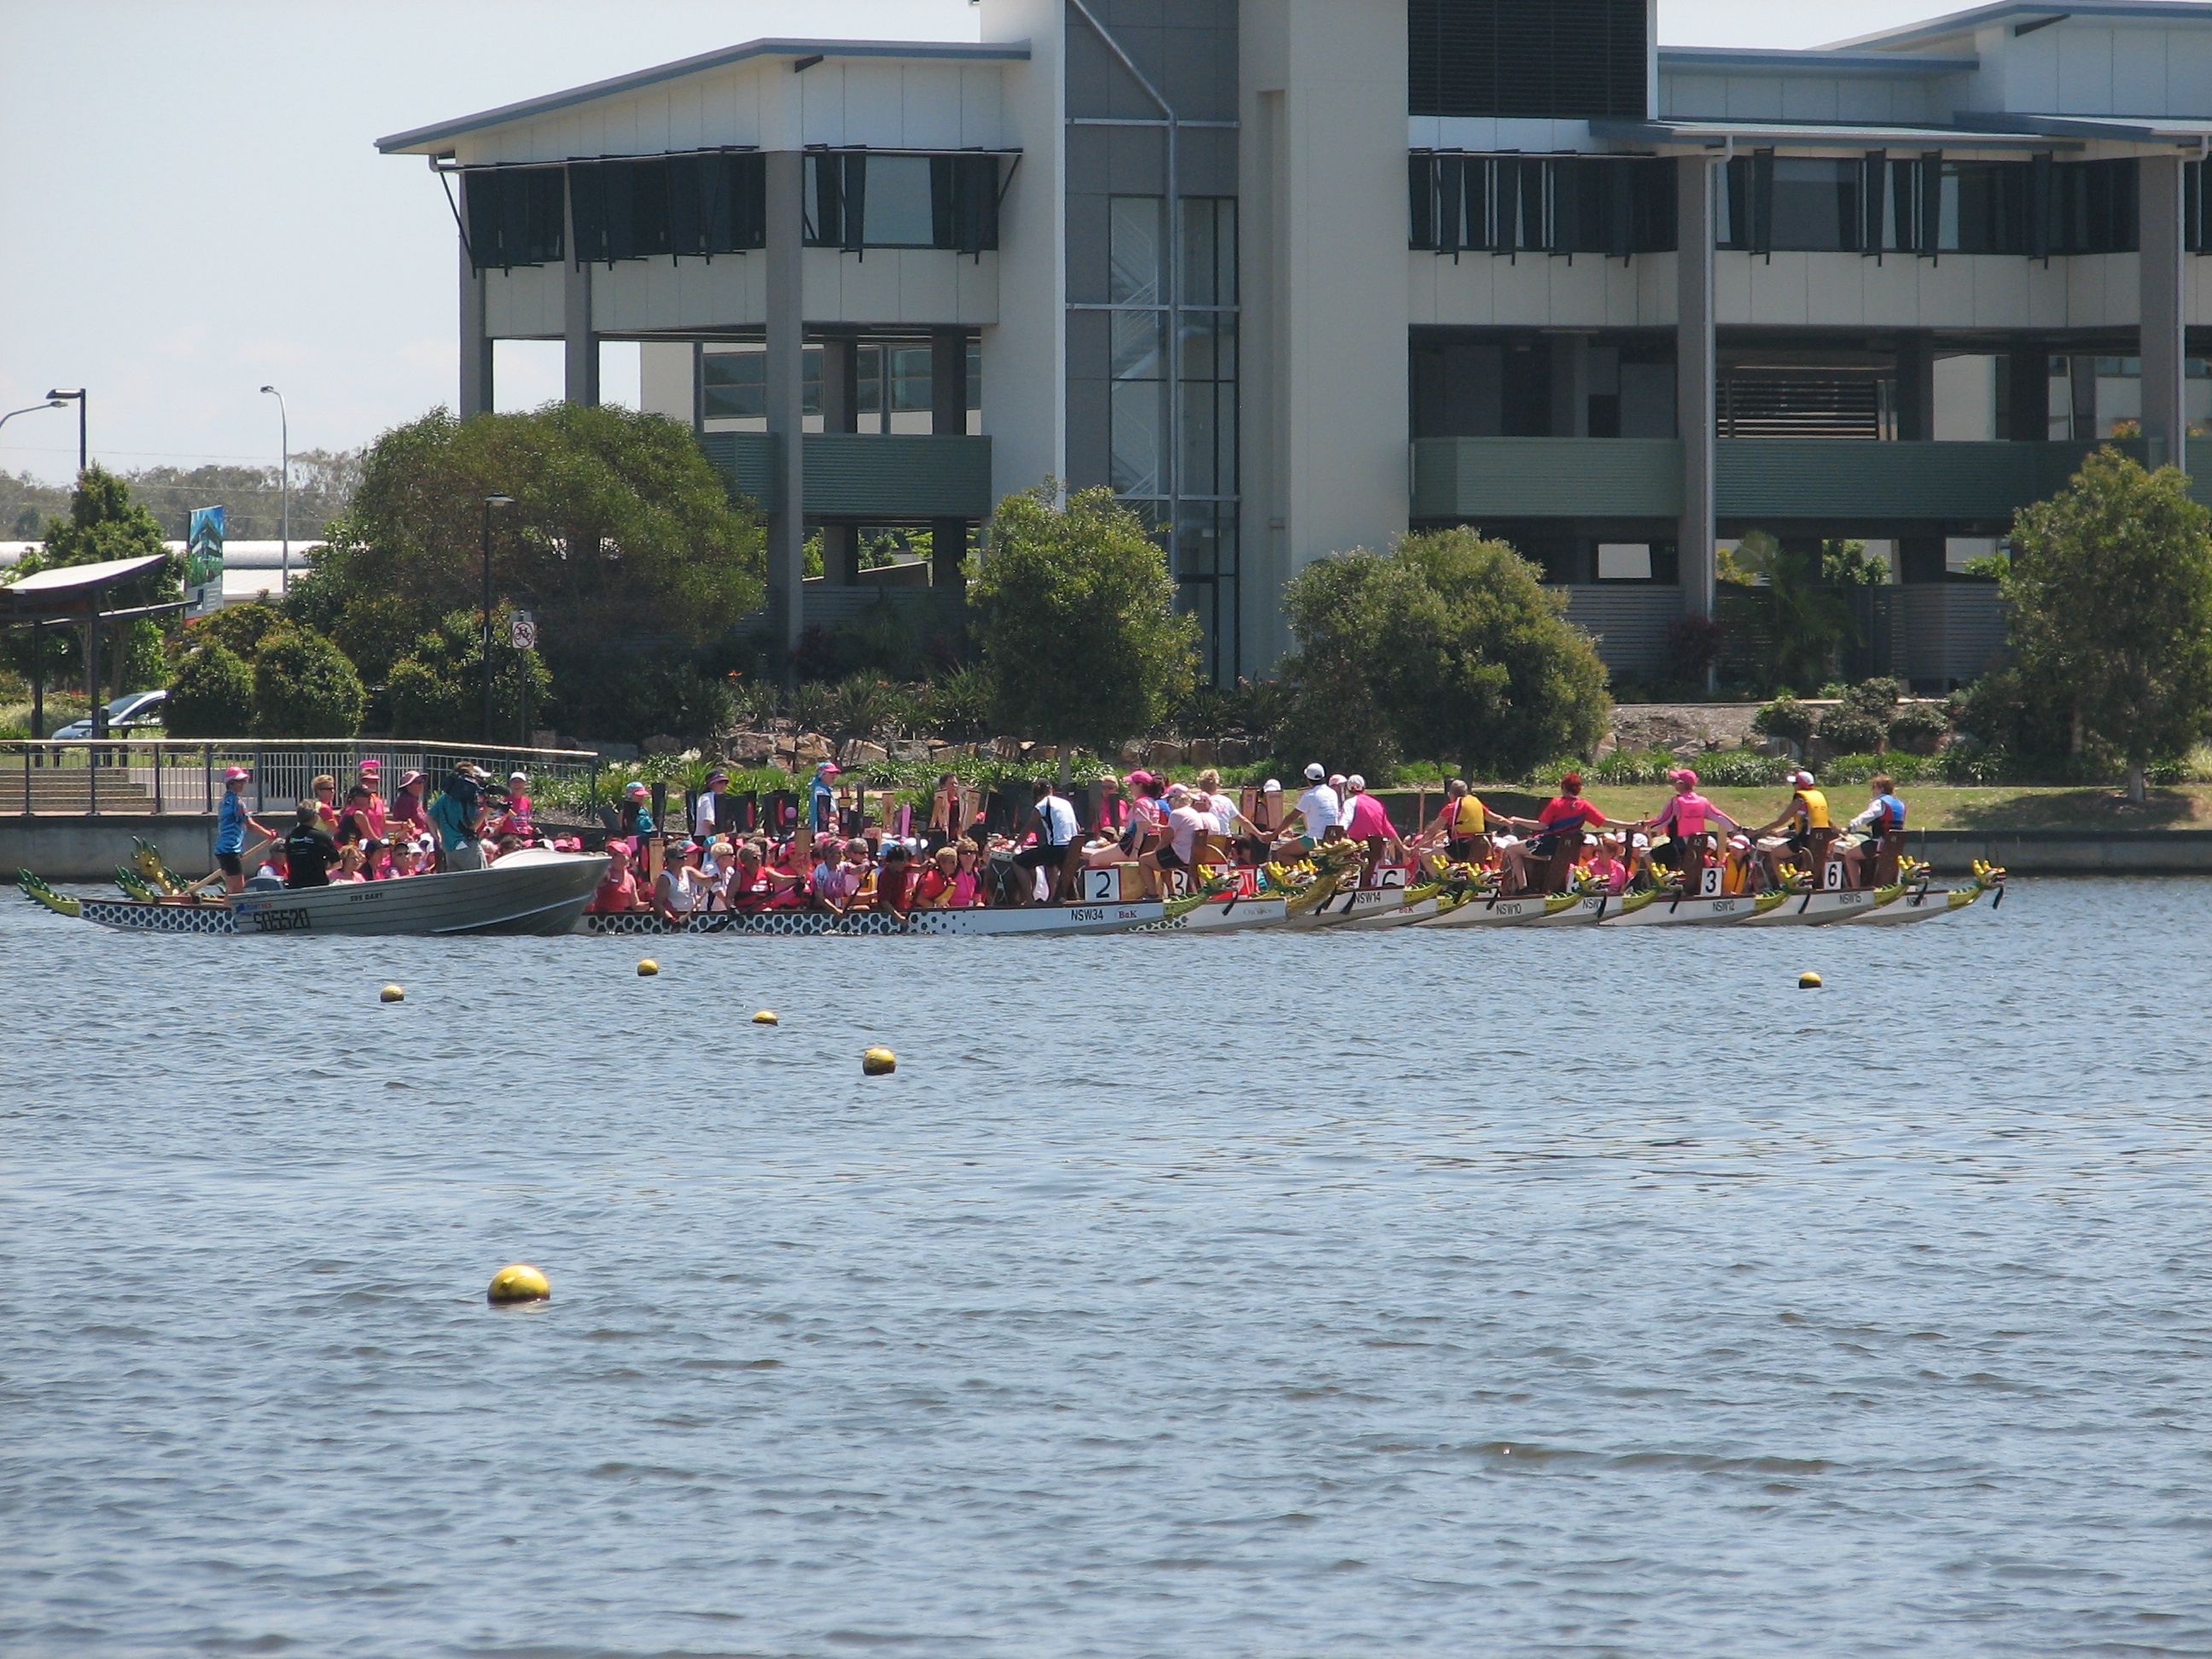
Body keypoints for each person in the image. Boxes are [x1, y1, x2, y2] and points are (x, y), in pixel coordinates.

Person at [1642, 769, 1740, 875]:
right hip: (1699, 846)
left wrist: (1644, 825)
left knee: (1648, 856)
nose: (1673, 784)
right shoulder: (1703, 801)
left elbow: (1661, 821)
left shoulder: (1676, 802)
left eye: (1675, 781)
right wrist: (1737, 827)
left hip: (1679, 848)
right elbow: (1719, 816)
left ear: (1681, 784)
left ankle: (1665, 884)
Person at [1750, 769, 1831, 885]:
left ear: (1800, 785)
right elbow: (1825, 820)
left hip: (1805, 838)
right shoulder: (1818, 798)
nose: (1793, 786)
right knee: (1816, 862)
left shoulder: (1799, 800)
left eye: (1795, 783)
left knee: (1776, 854)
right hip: (1823, 837)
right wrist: (1842, 831)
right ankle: (1814, 885)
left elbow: (1780, 821)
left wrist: (1758, 831)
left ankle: (1784, 886)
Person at [213, 765, 277, 895]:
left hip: (223, 849)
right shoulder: (237, 803)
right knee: (238, 888)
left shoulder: (224, 800)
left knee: (232, 887)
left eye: (244, 781)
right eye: (239, 781)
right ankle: (236, 913)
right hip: (230, 850)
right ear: (231, 783)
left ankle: (227, 910)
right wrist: (269, 834)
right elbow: (250, 825)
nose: (243, 784)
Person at [1016, 778, 1080, 905]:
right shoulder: (1065, 803)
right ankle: (1052, 899)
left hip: (1058, 848)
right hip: (1072, 848)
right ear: (1051, 790)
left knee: (1018, 863)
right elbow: (1077, 828)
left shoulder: (1042, 804)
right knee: (1048, 863)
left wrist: (1014, 847)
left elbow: (1028, 828)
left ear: (1037, 796)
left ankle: (1029, 901)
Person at [1845, 773, 1908, 886]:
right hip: (1896, 845)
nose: (1872, 790)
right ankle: (1880, 884)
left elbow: (1868, 815)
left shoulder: (1879, 802)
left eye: (1873, 787)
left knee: (1849, 856)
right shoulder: (1900, 804)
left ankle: (1856, 890)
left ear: (1881, 788)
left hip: (1879, 845)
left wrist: (1852, 826)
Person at [432, 763, 489, 871]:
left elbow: (429, 817)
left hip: (449, 850)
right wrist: (486, 811)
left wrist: (437, 836)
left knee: (457, 884)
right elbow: (471, 828)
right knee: (479, 882)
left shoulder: (444, 798)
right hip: (467, 847)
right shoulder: (467, 799)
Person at [1339, 775, 1399, 859]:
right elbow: (1388, 828)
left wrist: (1338, 834)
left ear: (1348, 790)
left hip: (1356, 848)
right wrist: (1403, 848)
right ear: (1364, 788)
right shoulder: (1377, 803)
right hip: (1376, 848)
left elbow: (1345, 821)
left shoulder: (1349, 802)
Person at [653, 840, 710, 924]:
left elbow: (704, 881)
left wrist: (714, 878)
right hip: (674, 918)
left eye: (685, 857)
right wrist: (670, 919)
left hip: (690, 917)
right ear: (670, 860)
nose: (684, 859)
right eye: (680, 858)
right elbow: (657, 903)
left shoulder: (688, 871)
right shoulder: (665, 878)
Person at [282, 801, 337, 889]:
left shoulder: (289, 838)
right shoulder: (322, 837)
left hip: (295, 887)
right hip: (318, 886)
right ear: (315, 817)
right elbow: (338, 863)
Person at [1292, 763, 1342, 847]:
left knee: (1282, 852)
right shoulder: (1332, 793)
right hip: (1332, 837)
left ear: (1308, 779)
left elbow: (1291, 817)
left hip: (1315, 839)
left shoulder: (1309, 796)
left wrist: (1273, 834)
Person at [390, 770, 431, 840]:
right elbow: (403, 826)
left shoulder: (414, 800)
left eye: (422, 781)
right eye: (418, 782)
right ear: (408, 786)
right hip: (410, 842)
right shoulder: (405, 801)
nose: (421, 784)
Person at [355, 759, 389, 841]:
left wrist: (402, 824)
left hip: (375, 846)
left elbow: (383, 825)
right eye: (366, 780)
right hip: (359, 844)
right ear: (360, 782)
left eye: (374, 781)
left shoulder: (379, 801)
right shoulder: (355, 800)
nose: (371, 784)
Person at [694, 768, 731, 841]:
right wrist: (718, 840)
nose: (723, 785)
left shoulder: (721, 798)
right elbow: (708, 822)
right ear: (711, 784)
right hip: (706, 840)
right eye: (720, 782)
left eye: (725, 782)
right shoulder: (707, 798)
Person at [807, 761, 841, 835]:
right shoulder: (820, 791)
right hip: (822, 832)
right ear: (821, 774)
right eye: (830, 773)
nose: (834, 775)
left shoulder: (824, 789)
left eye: (835, 772)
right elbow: (833, 815)